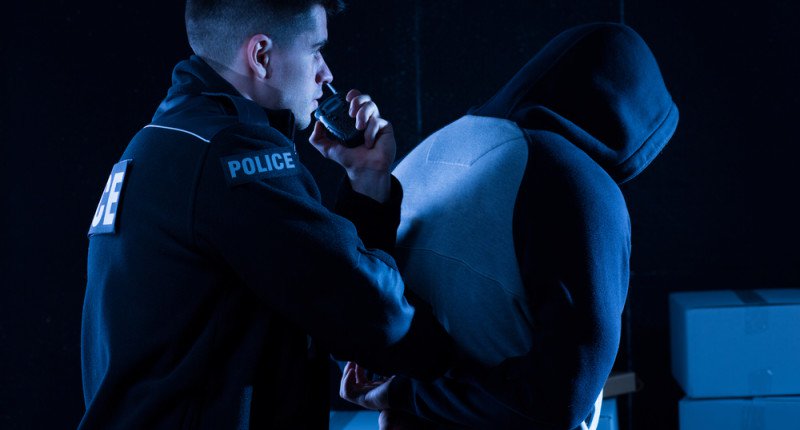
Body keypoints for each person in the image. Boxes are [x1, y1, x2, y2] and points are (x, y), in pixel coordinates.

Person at [80, 1, 454, 428]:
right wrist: (459, 363)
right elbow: (370, 311)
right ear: (261, 56)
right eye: (315, 50)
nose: (326, 73)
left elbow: (327, 294)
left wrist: (366, 178)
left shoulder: (168, 140)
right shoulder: (230, 153)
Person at [341, 22, 679, 429]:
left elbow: (362, 305)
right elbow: (562, 398)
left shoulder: (439, 145)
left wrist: (402, 392)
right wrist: (405, 394)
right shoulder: (577, 182)